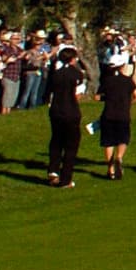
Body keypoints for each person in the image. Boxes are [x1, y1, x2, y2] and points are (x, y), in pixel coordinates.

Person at [45, 45, 86, 188]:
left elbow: (48, 92)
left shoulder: (55, 74)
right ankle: (66, 178)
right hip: (71, 111)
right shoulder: (77, 74)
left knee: (56, 140)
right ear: (73, 59)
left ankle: (53, 169)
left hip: (56, 109)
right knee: (71, 145)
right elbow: (78, 94)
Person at [97, 55, 136, 181]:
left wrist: (107, 98)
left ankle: (110, 169)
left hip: (108, 114)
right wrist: (127, 102)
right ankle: (119, 157)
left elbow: (97, 97)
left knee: (108, 142)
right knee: (123, 139)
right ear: (123, 66)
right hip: (123, 114)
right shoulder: (128, 81)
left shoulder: (106, 81)